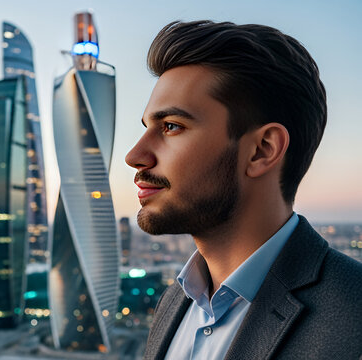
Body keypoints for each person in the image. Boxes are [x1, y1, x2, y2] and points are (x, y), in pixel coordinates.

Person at [125, 21, 362, 359]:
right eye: (148, 127)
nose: (134, 156)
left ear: (262, 150)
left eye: (172, 126)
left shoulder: (353, 318)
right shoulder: (174, 302)